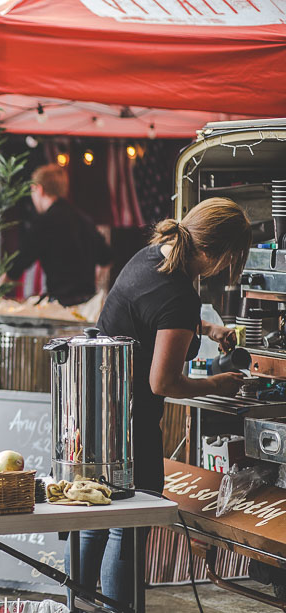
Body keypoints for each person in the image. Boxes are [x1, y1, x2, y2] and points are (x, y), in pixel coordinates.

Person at [74, 197, 250, 606]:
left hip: (94, 412)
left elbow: (150, 316)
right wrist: (219, 383)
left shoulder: (151, 256)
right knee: (127, 523)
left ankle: (75, 606)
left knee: (93, 519)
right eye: (229, 259)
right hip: (129, 425)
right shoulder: (178, 294)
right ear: (218, 252)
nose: (226, 267)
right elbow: (163, 383)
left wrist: (204, 329)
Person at [0, 164, 111, 306]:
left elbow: (17, 265)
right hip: (87, 306)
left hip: (59, 308)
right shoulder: (84, 220)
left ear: (38, 189)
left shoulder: (44, 223)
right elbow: (106, 258)